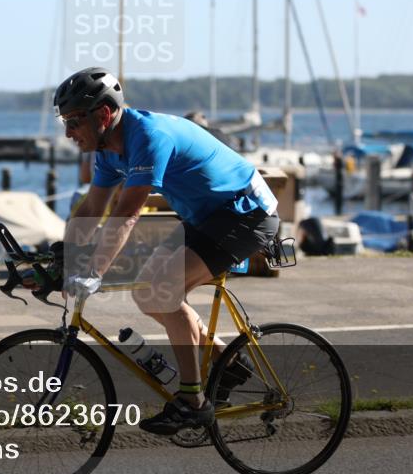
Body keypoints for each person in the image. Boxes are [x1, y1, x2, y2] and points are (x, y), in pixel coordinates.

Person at [54, 67, 279, 435]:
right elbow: (92, 209)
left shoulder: (148, 137)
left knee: (163, 290)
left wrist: (93, 272)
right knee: (147, 294)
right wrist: (62, 259)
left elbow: (126, 213)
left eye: (74, 122)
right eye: (64, 122)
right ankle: (229, 362)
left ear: (104, 115)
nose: (68, 133)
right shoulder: (108, 151)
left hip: (247, 212)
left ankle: (193, 402)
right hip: (206, 216)